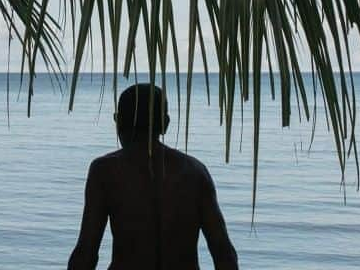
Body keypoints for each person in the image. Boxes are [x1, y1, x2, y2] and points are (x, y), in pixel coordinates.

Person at [67, 84, 238, 270]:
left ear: (119, 121)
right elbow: (223, 252)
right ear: (165, 124)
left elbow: (86, 252)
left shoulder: (106, 171)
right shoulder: (195, 171)